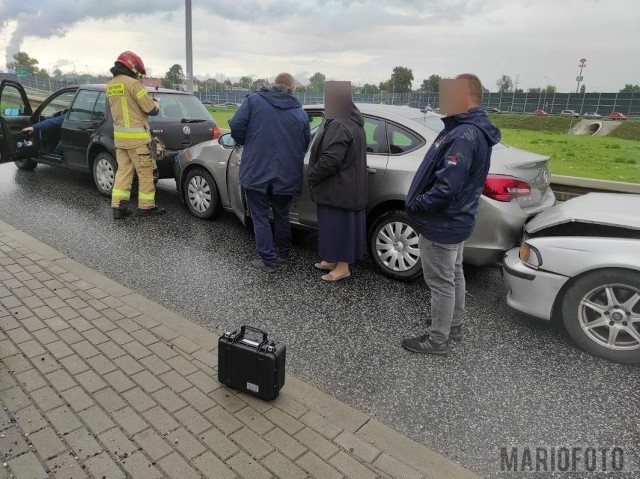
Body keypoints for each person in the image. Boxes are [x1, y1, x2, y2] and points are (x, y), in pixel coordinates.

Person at [402, 73, 501, 355]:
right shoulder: (469, 129)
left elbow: (448, 186)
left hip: (443, 223)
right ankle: (452, 325)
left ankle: (437, 339)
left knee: (441, 282)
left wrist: (420, 204)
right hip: (458, 219)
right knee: (454, 274)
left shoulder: (463, 135)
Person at [229, 73, 310, 273]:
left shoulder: (254, 101)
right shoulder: (299, 113)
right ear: (292, 89)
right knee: (282, 214)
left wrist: (248, 141)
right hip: (287, 174)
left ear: (274, 85)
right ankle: (283, 253)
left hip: (256, 170)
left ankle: (268, 260)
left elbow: (236, 126)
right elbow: (305, 143)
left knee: (260, 217)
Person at [308, 82, 367, 282]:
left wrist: (312, 175)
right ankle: (332, 260)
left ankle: (342, 267)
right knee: (333, 227)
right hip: (345, 187)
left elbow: (331, 159)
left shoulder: (340, 124)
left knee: (339, 228)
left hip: (338, 189)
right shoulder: (352, 121)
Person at [107, 51, 164, 219]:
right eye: (138, 70)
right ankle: (146, 207)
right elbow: (150, 109)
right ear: (132, 67)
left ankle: (118, 207)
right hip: (138, 141)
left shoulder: (111, 85)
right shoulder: (133, 84)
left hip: (120, 140)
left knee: (123, 173)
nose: (139, 74)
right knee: (146, 173)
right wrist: (156, 103)